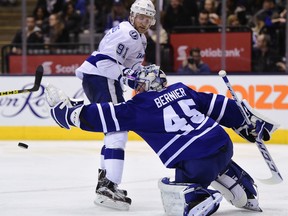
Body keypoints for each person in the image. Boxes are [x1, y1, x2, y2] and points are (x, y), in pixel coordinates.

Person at [45, 67, 278, 216]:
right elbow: (219, 105)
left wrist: (68, 115)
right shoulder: (183, 90)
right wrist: (246, 122)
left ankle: (199, 197)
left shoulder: (139, 107)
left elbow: (104, 116)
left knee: (172, 190)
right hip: (223, 145)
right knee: (215, 161)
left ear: (146, 86)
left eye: (138, 85)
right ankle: (245, 191)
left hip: (195, 162)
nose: (136, 89)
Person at [73, 0, 157, 210]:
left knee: (114, 131)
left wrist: (143, 77)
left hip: (102, 78)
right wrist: (132, 80)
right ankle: (108, 186)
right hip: (101, 76)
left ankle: (105, 182)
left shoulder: (140, 38)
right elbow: (107, 61)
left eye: (147, 18)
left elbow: (132, 66)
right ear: (132, 16)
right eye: (141, 17)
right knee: (117, 130)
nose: (144, 21)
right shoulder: (127, 33)